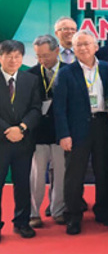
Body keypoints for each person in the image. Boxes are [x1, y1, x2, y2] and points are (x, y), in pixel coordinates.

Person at [53, 30, 108, 235]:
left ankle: (104, 211)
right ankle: (73, 215)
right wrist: (64, 134)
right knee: (74, 174)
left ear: (96, 47)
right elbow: (59, 108)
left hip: (103, 126)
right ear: (73, 49)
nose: (83, 48)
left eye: (87, 44)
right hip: (76, 129)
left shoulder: (107, 69)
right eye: (78, 44)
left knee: (103, 171)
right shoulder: (66, 72)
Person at [0, 40, 42, 241]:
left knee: (23, 184)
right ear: (0, 57)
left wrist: (22, 128)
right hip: (1, 141)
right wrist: (7, 130)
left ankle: (22, 222)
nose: (13, 60)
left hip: (23, 141)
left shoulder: (30, 80)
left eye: (17, 56)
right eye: (8, 56)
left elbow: (36, 108)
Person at [27, 35, 66, 228]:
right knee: (36, 176)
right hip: (38, 134)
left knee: (61, 174)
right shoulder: (30, 74)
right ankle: (33, 213)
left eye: (46, 55)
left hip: (62, 133)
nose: (42, 60)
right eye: (38, 56)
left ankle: (58, 210)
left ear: (57, 50)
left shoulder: (69, 71)